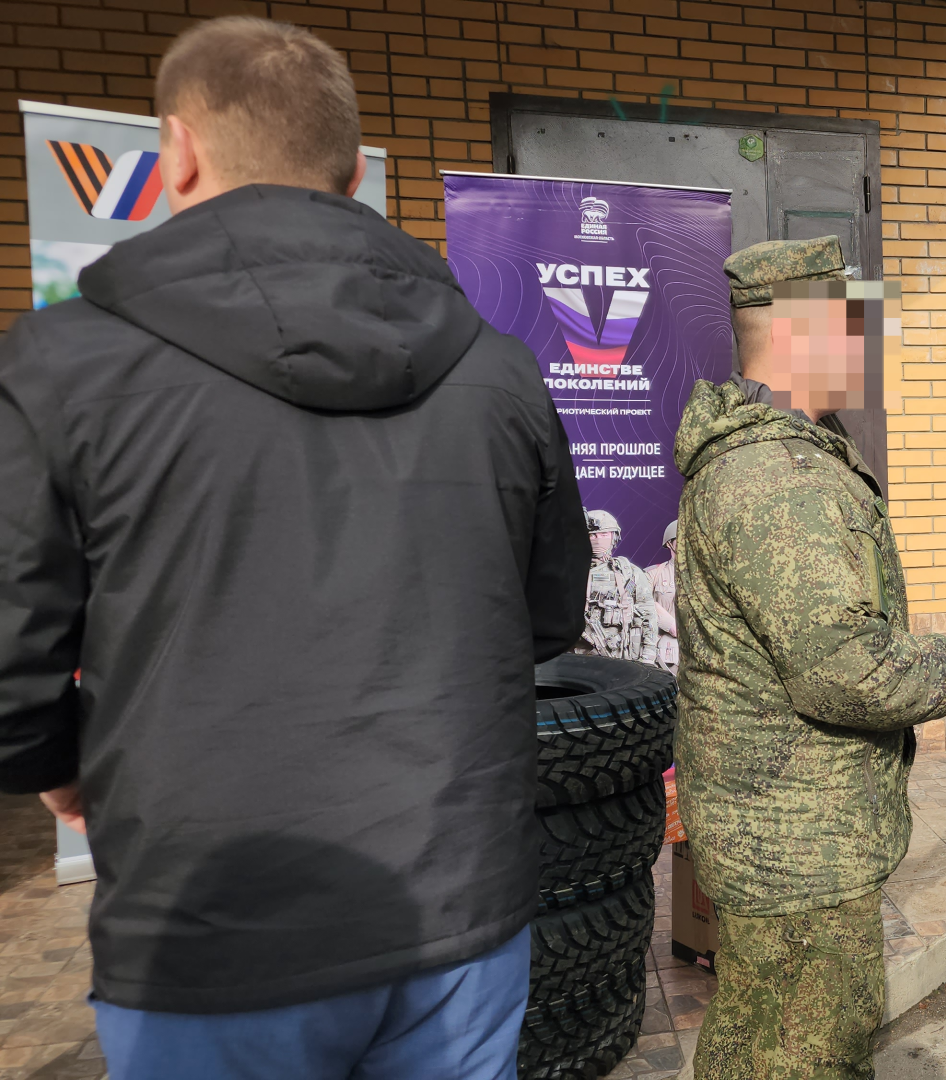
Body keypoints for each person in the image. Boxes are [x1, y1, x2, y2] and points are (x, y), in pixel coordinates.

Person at [0, 17, 589, 1080]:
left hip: (212, 926)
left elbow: (12, 663)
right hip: (455, 910)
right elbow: (547, 618)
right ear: (357, 170)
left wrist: (56, 765)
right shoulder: (500, 369)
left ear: (174, 151)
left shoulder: (61, 361)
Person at [673, 237, 946, 1080]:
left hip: (784, 834)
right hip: (798, 851)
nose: (868, 343)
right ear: (798, 331)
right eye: (855, 323)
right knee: (803, 1058)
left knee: (762, 1047)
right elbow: (840, 667)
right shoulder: (780, 478)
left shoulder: (783, 453)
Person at [578, 508, 659, 664]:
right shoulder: (570, 572)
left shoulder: (628, 574)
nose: (598, 539)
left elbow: (648, 614)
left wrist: (648, 657)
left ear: (613, 537)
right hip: (578, 658)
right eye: (592, 535)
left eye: (604, 535)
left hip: (620, 656)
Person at [646, 520, 679, 675]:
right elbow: (640, 602)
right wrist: (670, 624)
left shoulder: (709, 575)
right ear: (669, 543)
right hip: (666, 652)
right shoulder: (653, 574)